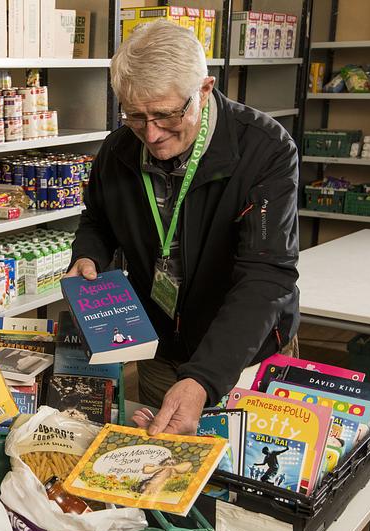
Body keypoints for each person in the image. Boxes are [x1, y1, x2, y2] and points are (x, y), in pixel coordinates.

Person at [67, 20, 300, 436]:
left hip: (244, 357)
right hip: (162, 350)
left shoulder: (265, 150)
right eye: (136, 116)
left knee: (242, 487)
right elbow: (97, 219)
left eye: (166, 115)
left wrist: (205, 378)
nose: (152, 134)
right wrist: (88, 253)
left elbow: (267, 277)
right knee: (165, 469)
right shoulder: (118, 150)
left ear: (205, 90)